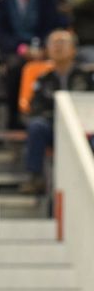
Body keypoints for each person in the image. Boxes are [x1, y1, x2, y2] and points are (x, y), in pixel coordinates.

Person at [0, 0, 68, 128]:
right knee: (15, 67)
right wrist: (23, 50)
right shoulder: (0, 0)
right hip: (16, 51)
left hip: (46, 47)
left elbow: (54, 24)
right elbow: (1, 34)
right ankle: (15, 120)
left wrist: (45, 47)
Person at [19, 29, 94, 194]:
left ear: (74, 49)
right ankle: (35, 177)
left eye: (63, 43)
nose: (58, 47)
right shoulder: (43, 79)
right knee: (36, 126)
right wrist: (58, 118)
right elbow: (35, 109)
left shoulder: (87, 77)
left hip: (84, 128)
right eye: (54, 43)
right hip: (53, 127)